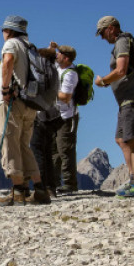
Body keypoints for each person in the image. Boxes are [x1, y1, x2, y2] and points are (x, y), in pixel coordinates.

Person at [0, 15, 51, 205]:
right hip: (30, 103)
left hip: (13, 101)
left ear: (10, 31)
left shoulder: (11, 44)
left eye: (3, 30)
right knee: (23, 146)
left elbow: (8, 61)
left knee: (10, 144)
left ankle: (18, 192)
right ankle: (39, 189)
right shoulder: (30, 46)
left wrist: (4, 89)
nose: (2, 33)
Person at [95, 15, 134, 198]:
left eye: (102, 33)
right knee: (121, 139)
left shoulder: (122, 41)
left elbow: (121, 70)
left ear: (111, 28)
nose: (103, 38)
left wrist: (103, 81)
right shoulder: (125, 40)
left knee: (132, 141)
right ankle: (133, 179)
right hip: (125, 100)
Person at [53, 45, 80, 195]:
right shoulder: (59, 67)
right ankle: (55, 183)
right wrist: (53, 48)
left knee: (65, 150)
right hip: (55, 116)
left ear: (67, 58)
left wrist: (50, 91)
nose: (57, 55)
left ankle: (70, 184)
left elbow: (65, 97)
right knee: (54, 151)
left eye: (60, 54)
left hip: (67, 117)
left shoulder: (70, 74)